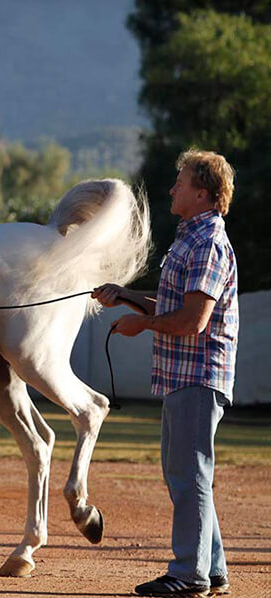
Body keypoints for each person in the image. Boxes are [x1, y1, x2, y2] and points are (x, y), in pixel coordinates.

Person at [92, 149, 238, 597]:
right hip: (184, 374)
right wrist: (127, 296)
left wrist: (141, 324)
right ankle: (210, 571)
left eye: (182, 182)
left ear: (204, 193)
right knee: (186, 473)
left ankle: (189, 575)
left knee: (189, 473)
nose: (173, 188)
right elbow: (178, 307)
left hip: (198, 373)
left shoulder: (207, 241)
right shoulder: (190, 238)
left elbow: (193, 320)